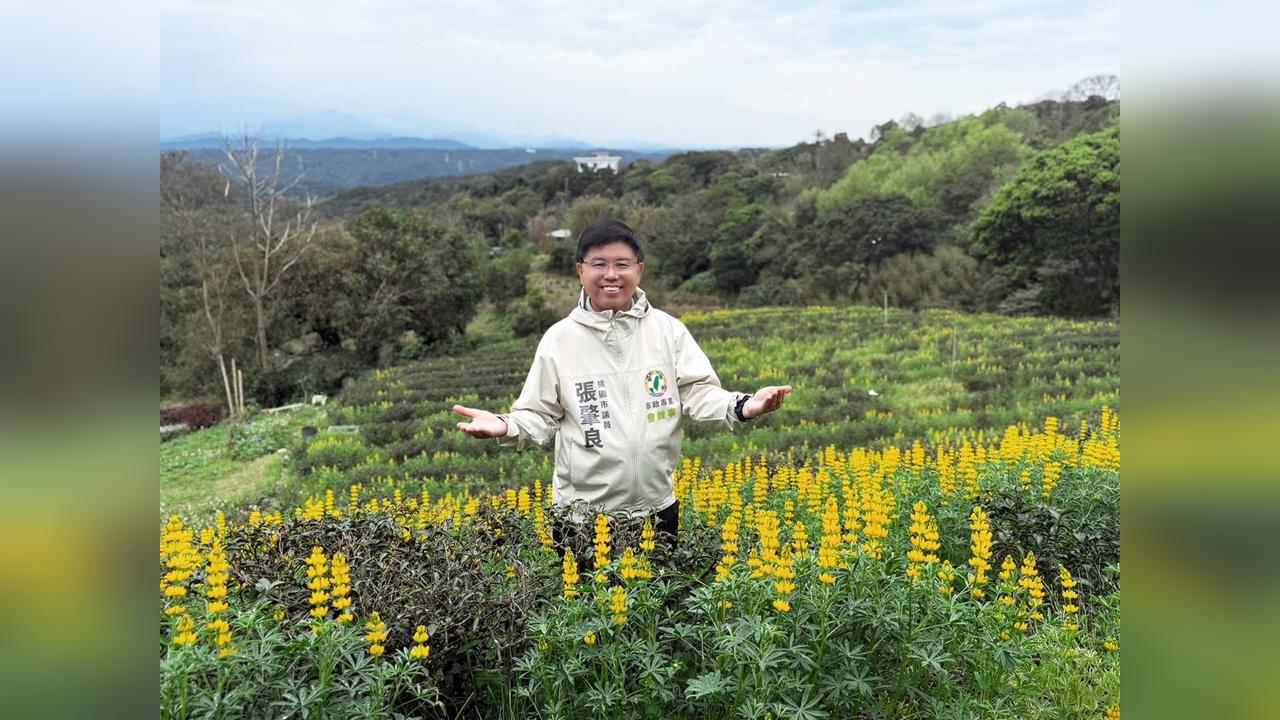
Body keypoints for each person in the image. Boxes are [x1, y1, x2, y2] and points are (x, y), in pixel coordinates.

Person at [453, 218, 791, 545]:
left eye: (622, 264)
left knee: (656, 602)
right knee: (588, 603)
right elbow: (539, 415)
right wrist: (504, 425)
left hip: (657, 509)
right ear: (580, 270)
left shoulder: (667, 330)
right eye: (599, 264)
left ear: (639, 270)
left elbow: (698, 391)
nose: (611, 275)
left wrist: (745, 405)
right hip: (582, 518)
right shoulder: (559, 340)